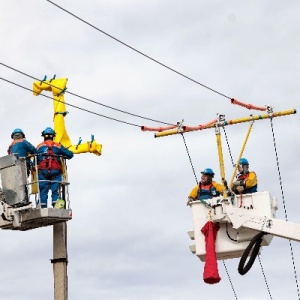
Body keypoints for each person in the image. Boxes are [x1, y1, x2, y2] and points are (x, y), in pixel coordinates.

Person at [36, 127, 74, 208]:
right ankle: (57, 207)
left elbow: (34, 162)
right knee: (55, 191)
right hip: (55, 172)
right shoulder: (58, 146)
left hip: (43, 173)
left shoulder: (39, 147)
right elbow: (70, 155)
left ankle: (43, 207)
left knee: (43, 191)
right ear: (53, 136)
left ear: (44, 136)